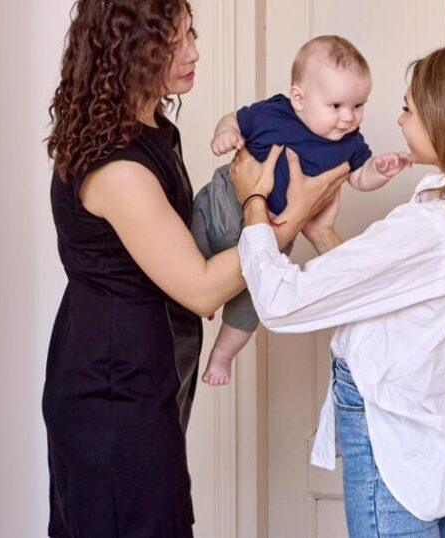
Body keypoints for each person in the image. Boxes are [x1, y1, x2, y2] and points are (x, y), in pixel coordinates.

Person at [41, 2, 347, 536]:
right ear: (130, 50)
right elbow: (202, 289)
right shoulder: (118, 168)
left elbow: (191, 251)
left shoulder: (152, 128)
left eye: (192, 34)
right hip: (111, 389)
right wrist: (285, 212)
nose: (193, 52)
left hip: (149, 370)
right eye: (173, 41)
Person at [231, 44, 445, 537]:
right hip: (427, 438)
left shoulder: (430, 227)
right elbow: (397, 298)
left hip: (391, 437)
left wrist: (254, 203)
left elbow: (282, 305)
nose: (398, 119)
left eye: (408, 108)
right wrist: (322, 234)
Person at [193, 35, 410, 386]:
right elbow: (233, 119)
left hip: (272, 235)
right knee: (189, 253)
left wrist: (379, 171)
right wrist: (226, 133)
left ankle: (222, 356)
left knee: (251, 304)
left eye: (358, 105)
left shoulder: (350, 143)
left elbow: (359, 176)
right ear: (299, 98)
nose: (348, 117)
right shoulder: (273, 113)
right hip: (222, 206)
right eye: (336, 106)